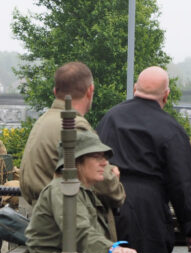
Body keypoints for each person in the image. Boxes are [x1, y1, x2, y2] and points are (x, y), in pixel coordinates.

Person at [97, 66, 191, 253]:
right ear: (166, 95)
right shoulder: (170, 128)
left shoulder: (110, 118)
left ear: (135, 88)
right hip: (149, 210)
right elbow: (183, 182)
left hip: (109, 204)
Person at [20, 62, 125, 216]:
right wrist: (114, 179)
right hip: (68, 223)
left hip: (45, 218)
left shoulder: (43, 121)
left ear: (55, 91)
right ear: (90, 91)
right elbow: (107, 187)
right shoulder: (75, 126)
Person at [25, 130, 138, 253]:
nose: (105, 163)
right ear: (77, 161)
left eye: (104, 157)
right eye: (97, 157)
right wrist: (111, 248)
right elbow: (78, 230)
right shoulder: (62, 189)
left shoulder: (82, 190)